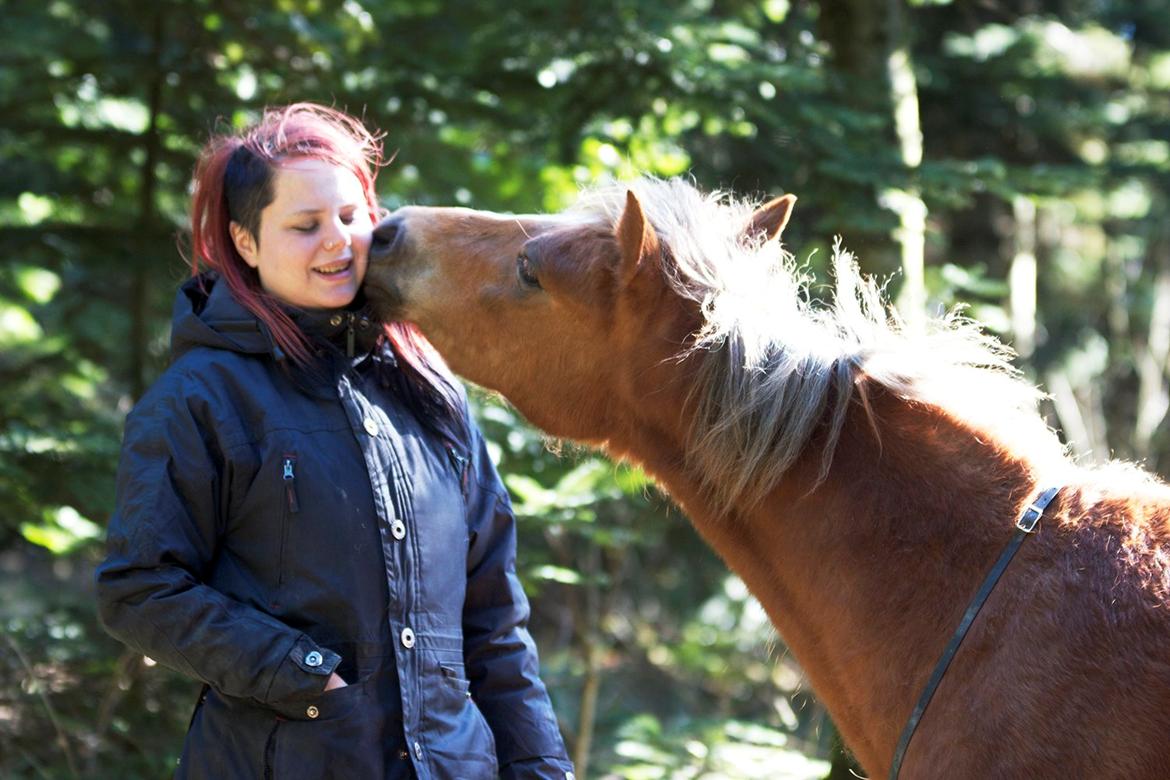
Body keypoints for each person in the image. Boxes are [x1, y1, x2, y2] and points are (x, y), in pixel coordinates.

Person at [95, 103, 575, 780]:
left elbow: (493, 623)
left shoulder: (430, 389)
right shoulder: (201, 397)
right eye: (306, 225)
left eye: (352, 216)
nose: (338, 242)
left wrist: (543, 769)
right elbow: (139, 588)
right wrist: (303, 672)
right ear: (246, 243)